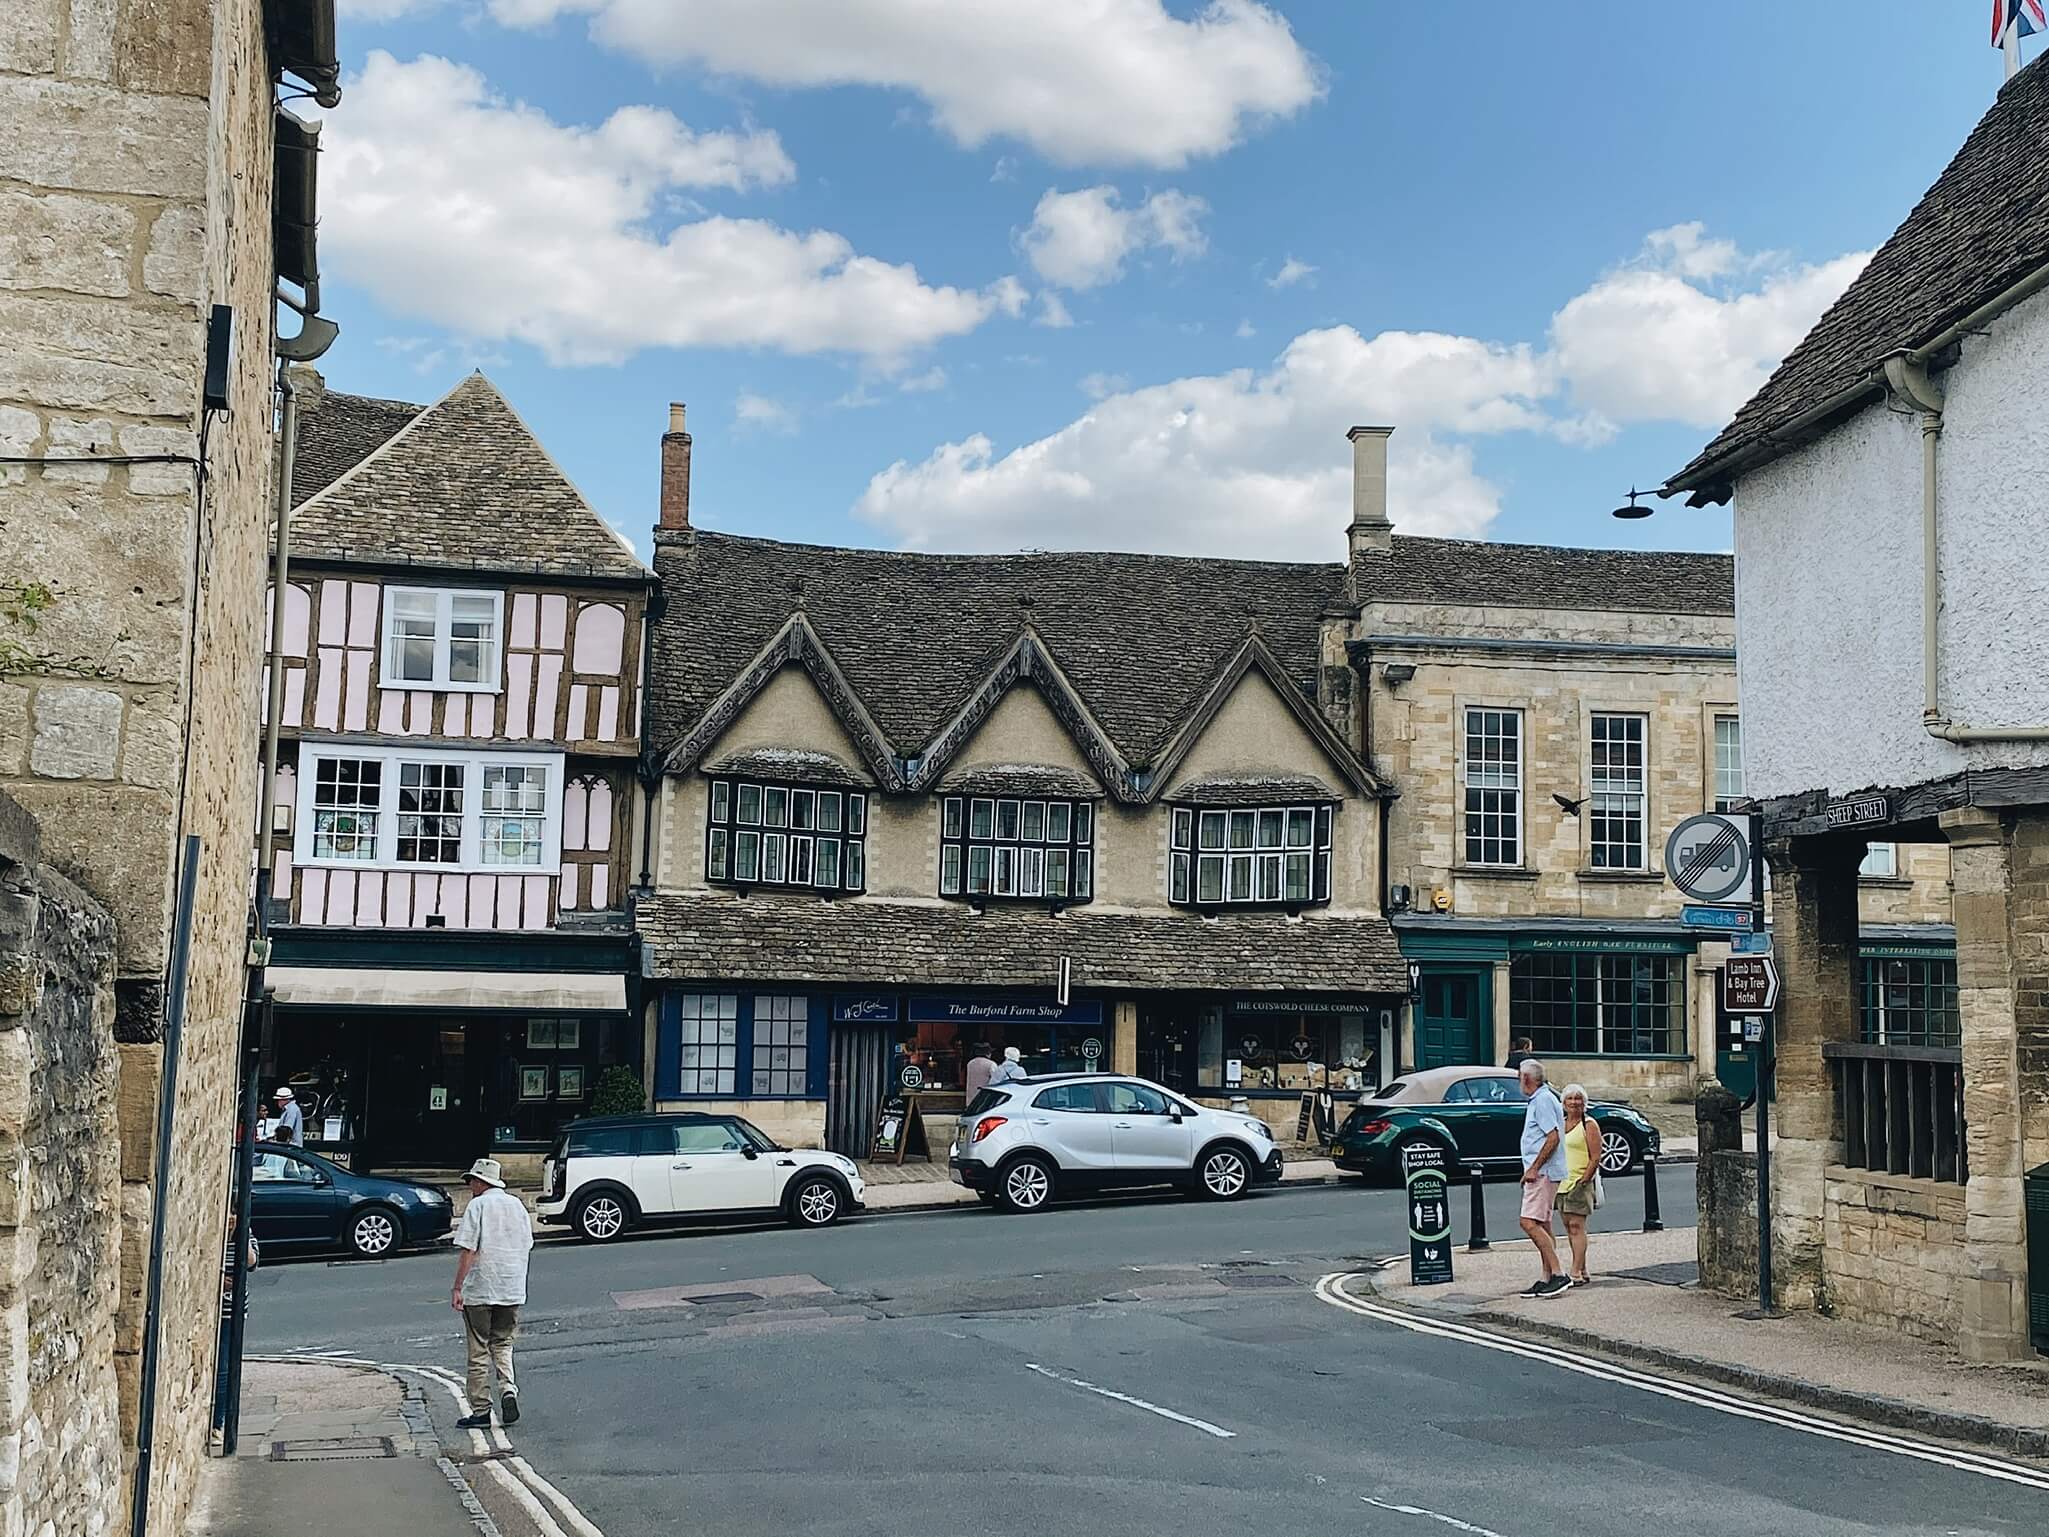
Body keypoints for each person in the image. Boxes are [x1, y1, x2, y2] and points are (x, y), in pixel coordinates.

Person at [450, 1157, 534, 1429]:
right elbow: (527, 1244)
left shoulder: (478, 1206)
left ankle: (481, 1410)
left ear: (482, 1181)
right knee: (503, 1343)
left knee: (478, 1350)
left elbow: (468, 1250)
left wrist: (457, 1287)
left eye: (472, 1180)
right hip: (511, 1289)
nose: (470, 1184)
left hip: (481, 1290)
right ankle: (508, 1388)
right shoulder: (518, 1206)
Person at [1515, 1059, 1571, 1299]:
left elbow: (1553, 1138)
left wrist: (1533, 1168)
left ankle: (1559, 1274)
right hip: (1544, 1171)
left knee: (1528, 1222)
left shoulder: (1543, 1101)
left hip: (1543, 1173)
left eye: (1520, 1078)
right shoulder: (1541, 1099)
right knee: (1544, 1224)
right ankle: (1546, 1276)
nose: (1519, 1082)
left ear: (1527, 1079)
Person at [1556, 1084, 1603, 1287]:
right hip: (1561, 1182)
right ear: (1563, 1103)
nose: (1574, 1103)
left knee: (1577, 1226)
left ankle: (1575, 1271)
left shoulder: (1589, 1124)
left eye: (1578, 1099)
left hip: (1580, 1181)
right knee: (1568, 1227)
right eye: (1570, 1099)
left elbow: (1595, 1156)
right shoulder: (1561, 1123)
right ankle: (1582, 1268)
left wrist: (1585, 1179)